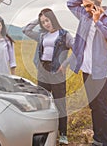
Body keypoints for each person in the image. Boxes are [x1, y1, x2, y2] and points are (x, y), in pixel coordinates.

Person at [67, 0, 107, 146]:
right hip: (87, 69)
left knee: (104, 107)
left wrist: (98, 21)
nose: (86, 9)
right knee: (94, 106)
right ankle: (98, 139)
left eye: (89, 6)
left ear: (98, 3)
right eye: (84, 6)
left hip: (102, 71)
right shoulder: (84, 15)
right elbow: (70, 3)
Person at [22, 8, 74, 145]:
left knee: (60, 104)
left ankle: (63, 134)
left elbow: (77, 49)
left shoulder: (64, 35)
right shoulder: (42, 35)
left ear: (53, 19)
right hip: (43, 71)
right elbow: (26, 30)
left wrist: (66, 64)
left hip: (57, 72)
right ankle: (44, 132)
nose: (46, 24)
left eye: (47, 20)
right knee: (42, 102)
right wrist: (38, 19)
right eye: (43, 22)